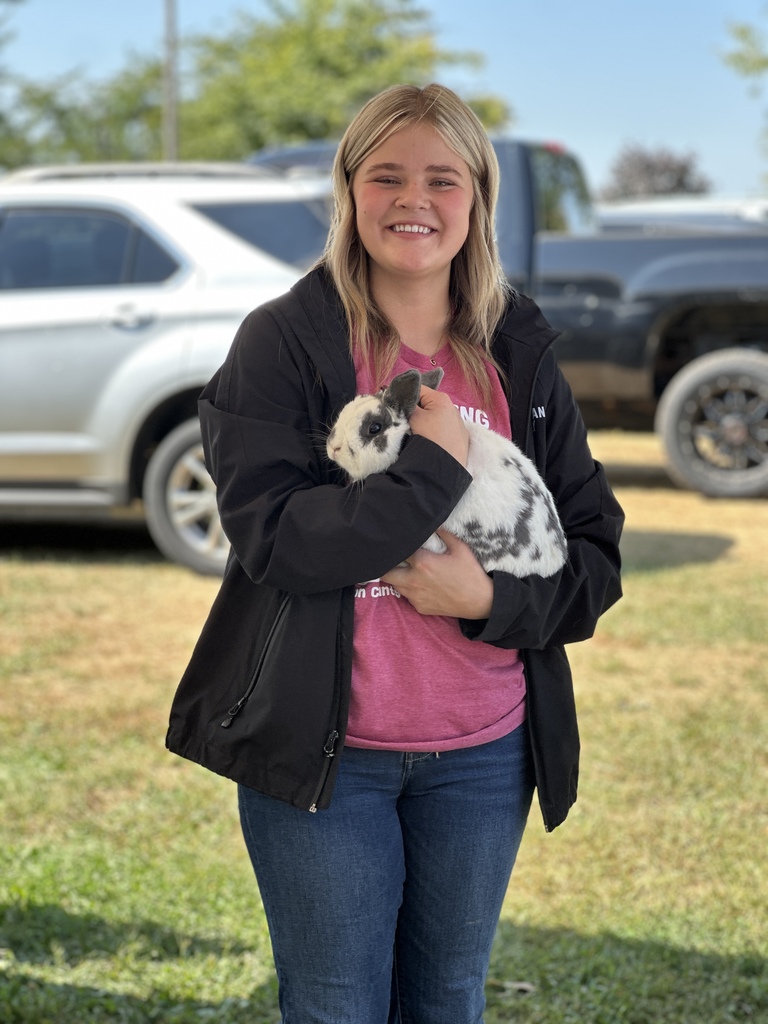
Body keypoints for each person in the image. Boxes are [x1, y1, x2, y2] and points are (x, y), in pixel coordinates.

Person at [167, 83, 624, 1023]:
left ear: (477, 200)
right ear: (350, 190)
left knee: (449, 998)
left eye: (442, 179)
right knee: (336, 1004)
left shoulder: (517, 349)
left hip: (484, 754)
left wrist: (484, 598)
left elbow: (594, 559)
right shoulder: (284, 344)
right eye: (387, 175)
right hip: (331, 757)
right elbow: (278, 540)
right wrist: (428, 471)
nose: (414, 199)